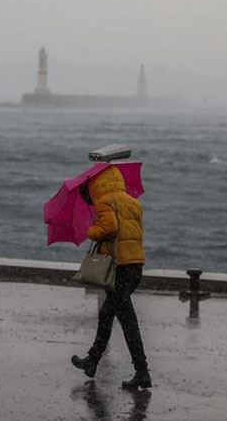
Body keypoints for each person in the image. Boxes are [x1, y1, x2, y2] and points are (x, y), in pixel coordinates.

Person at [71, 165, 151, 389]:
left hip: (119, 268)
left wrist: (91, 231)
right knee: (120, 317)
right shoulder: (132, 202)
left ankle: (138, 370)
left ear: (98, 184)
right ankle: (94, 361)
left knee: (112, 314)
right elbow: (132, 232)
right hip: (135, 265)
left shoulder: (105, 202)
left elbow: (110, 227)